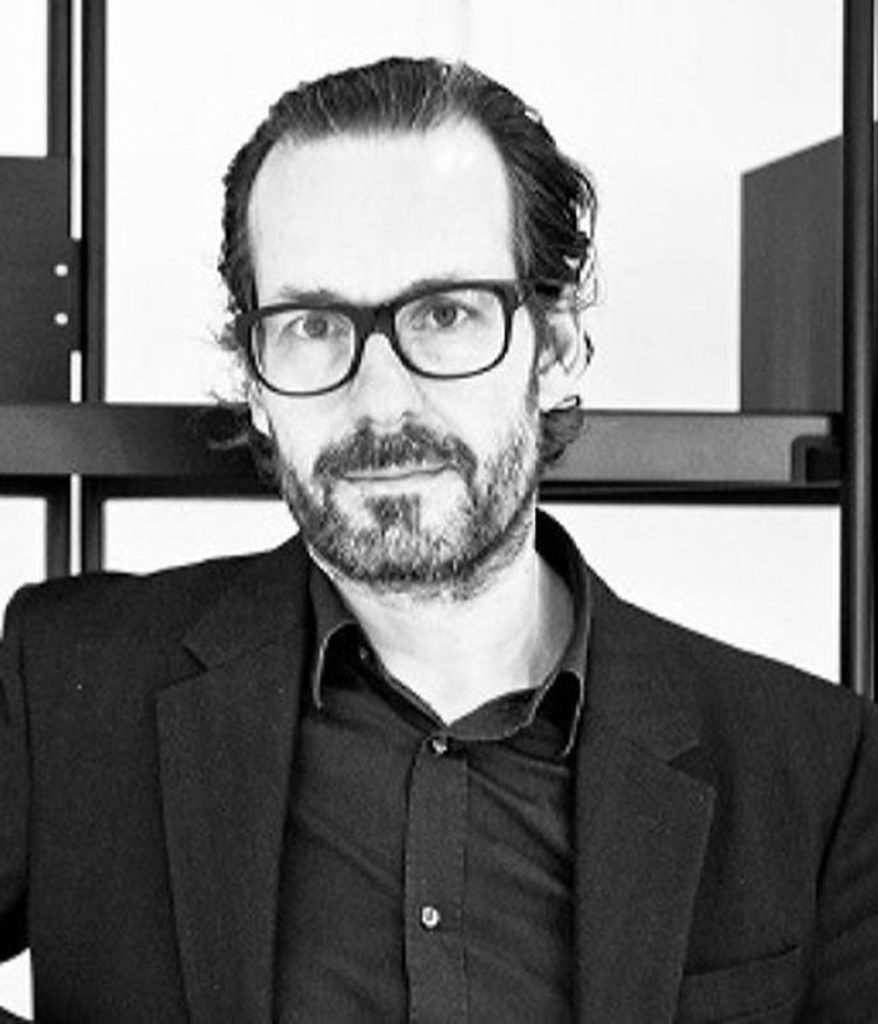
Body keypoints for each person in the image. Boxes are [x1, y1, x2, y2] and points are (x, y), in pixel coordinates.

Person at [1, 56, 877, 1023]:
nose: (381, 400)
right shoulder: (67, 683)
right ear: (253, 379)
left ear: (555, 346)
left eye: (446, 314)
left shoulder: (812, 770)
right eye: (312, 325)